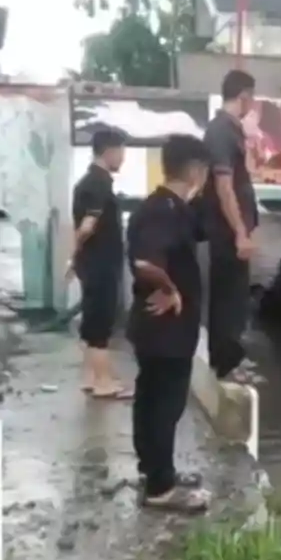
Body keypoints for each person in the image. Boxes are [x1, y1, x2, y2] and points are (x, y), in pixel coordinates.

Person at [125, 134, 213, 511]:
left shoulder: (175, 207)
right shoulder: (162, 210)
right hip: (166, 329)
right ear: (194, 169)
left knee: (150, 400)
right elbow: (146, 263)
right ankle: (161, 489)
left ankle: (155, 470)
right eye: (205, 171)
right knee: (164, 404)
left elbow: (203, 228)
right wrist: (171, 288)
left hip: (159, 331)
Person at [204, 69, 260, 380]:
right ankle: (225, 363)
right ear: (244, 96)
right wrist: (239, 232)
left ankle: (233, 356)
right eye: (251, 97)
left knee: (236, 296)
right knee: (226, 298)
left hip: (236, 229)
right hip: (226, 231)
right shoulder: (221, 131)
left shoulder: (231, 130)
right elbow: (224, 186)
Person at [69, 129, 131, 399]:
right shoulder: (99, 184)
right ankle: (104, 382)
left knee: (91, 320)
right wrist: (75, 253)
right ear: (109, 151)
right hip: (100, 263)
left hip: (92, 262)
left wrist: (76, 258)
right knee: (100, 324)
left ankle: (91, 377)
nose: (123, 158)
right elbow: (86, 226)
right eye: (121, 151)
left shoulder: (86, 181)